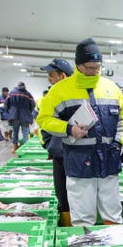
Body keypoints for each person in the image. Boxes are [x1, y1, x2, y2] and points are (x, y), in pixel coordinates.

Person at [37, 37, 123, 226]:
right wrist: (68, 129)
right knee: (83, 219)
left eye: (97, 67)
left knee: (113, 216)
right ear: (78, 65)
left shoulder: (111, 88)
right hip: (79, 164)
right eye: (89, 67)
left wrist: (119, 143)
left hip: (109, 163)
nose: (94, 71)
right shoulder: (60, 91)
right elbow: (43, 119)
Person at [39, 58, 74, 226]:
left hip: (79, 155)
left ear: (63, 76)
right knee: (62, 193)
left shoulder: (78, 96)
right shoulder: (51, 96)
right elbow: (43, 123)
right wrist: (50, 145)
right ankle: (67, 230)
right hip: (60, 155)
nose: (49, 79)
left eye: (52, 75)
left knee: (78, 194)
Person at [6, 81, 35, 153]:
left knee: (15, 132)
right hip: (25, 116)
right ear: (24, 86)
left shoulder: (11, 93)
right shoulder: (28, 94)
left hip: (14, 116)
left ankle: (14, 148)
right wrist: (28, 111)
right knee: (25, 133)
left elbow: (6, 104)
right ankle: (25, 149)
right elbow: (33, 104)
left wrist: (10, 112)